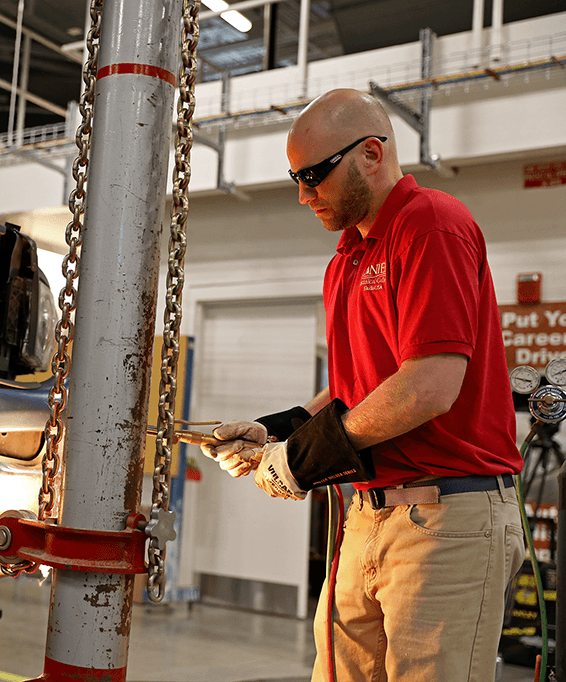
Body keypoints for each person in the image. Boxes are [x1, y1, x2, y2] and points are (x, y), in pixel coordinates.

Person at [201, 88, 525, 682]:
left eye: (315, 176)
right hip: (367, 515)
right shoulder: (344, 260)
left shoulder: (431, 225)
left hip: (447, 521)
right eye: (296, 178)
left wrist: (299, 459)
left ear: (372, 154)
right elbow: (357, 387)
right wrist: (279, 428)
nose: (304, 196)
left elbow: (429, 386)